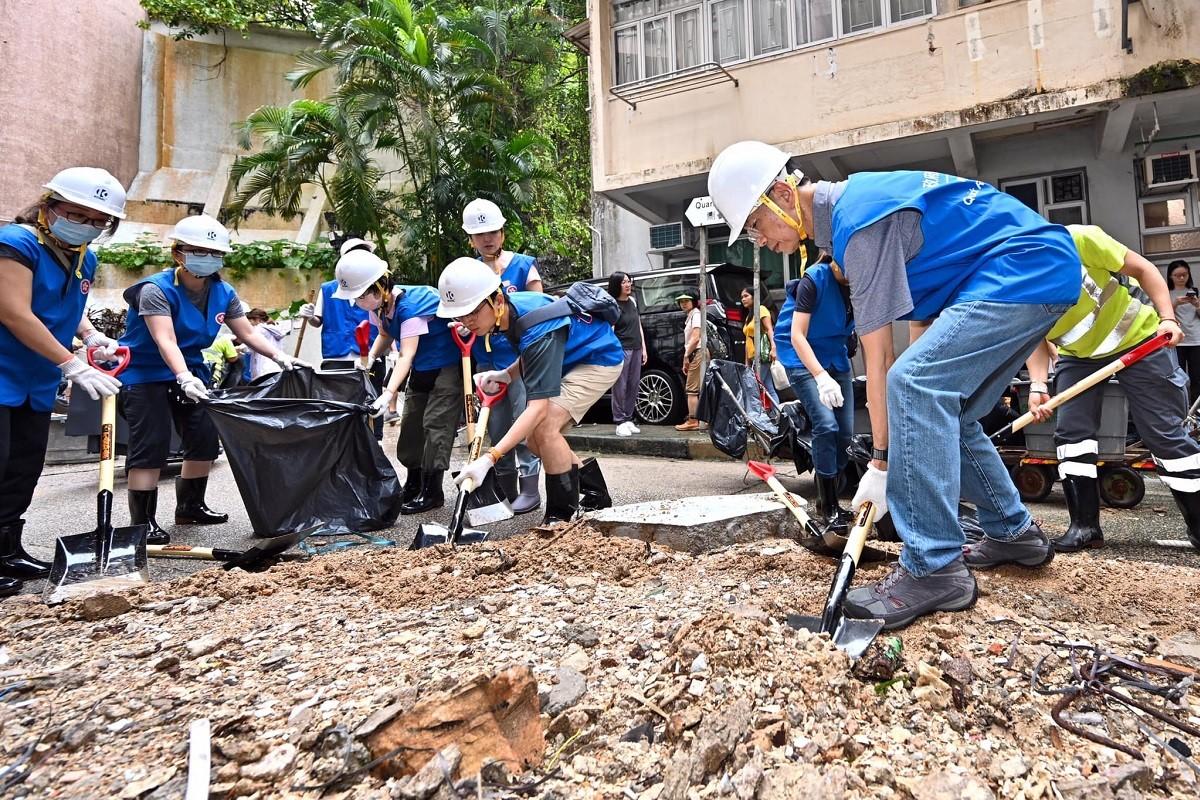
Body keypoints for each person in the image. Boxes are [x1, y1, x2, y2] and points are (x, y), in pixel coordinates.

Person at [708, 140, 1081, 629]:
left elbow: (881, 360)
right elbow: (919, 334)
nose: (760, 240)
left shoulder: (858, 225)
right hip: (1035, 271)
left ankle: (934, 567)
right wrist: (903, 429)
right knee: (951, 410)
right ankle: (1013, 533)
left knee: (916, 385)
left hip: (1021, 269)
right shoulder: (858, 214)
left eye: (756, 227)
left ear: (781, 194)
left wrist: (882, 462)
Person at [118, 214, 309, 544]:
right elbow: (165, 340)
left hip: (192, 370)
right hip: (146, 373)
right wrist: (182, 377)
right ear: (178, 253)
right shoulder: (155, 290)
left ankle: (190, 505)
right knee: (152, 443)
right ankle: (142, 521)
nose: (208, 258)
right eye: (198, 251)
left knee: (204, 438)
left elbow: (247, 332)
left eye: (214, 253)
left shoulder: (224, 292)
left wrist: (281, 357)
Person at [1019, 226, 1198, 552]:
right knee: (1070, 434)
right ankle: (1085, 528)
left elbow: (1144, 269)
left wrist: (1168, 318)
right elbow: (1032, 336)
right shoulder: (1014, 279)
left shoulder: (1080, 239)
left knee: (1165, 434)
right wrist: (1037, 385)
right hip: (1078, 356)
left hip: (1139, 340)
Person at [0, 167, 128, 597]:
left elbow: (67, 306)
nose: (89, 225)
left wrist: (90, 335)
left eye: (99, 221)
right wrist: (72, 365)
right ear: (49, 206)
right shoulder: (15, 244)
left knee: (22, 466)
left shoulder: (83, 254)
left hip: (35, 379)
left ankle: (6, 548)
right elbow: (14, 312)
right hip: (4, 370)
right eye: (79, 214)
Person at [437, 258, 624, 523]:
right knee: (534, 441)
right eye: (460, 315)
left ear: (497, 301)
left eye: (472, 312)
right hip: (572, 359)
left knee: (544, 427)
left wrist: (489, 458)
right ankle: (595, 495)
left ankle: (560, 518)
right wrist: (506, 374)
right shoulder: (510, 313)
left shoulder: (535, 324)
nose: (466, 321)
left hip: (598, 360)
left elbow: (536, 407)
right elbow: (530, 353)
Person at [333, 248, 460, 514]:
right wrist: (369, 359)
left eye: (359, 296)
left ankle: (432, 491)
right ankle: (413, 484)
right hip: (421, 369)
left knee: (435, 426)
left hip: (446, 369)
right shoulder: (380, 308)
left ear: (379, 287)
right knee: (412, 426)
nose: (356, 302)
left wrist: (388, 393)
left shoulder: (412, 307)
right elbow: (385, 335)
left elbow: (406, 354)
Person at [462, 198, 545, 513]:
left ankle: (530, 489)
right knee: (494, 427)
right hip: (485, 361)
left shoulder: (523, 265)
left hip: (522, 361)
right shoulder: (469, 271)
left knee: (523, 420)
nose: (487, 239)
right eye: (480, 234)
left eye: (493, 231)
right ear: (470, 239)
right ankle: (504, 489)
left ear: (503, 233)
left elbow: (540, 312)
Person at [773, 254, 855, 532]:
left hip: (835, 355)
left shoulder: (863, 281)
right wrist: (820, 377)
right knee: (826, 425)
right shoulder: (815, 279)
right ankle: (827, 504)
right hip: (801, 355)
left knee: (845, 433)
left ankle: (832, 489)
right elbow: (797, 335)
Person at [296, 237, 378, 368]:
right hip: (336, 356)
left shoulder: (378, 287)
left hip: (370, 355)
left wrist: (395, 350)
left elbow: (386, 320)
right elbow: (317, 322)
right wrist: (310, 316)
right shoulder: (328, 289)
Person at [607, 271, 647, 436]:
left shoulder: (632, 301)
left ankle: (629, 418)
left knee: (633, 384)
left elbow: (638, 324)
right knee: (620, 386)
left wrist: (643, 347)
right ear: (617, 285)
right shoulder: (613, 305)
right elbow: (610, 330)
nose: (628, 284)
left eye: (629, 281)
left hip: (636, 347)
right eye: (624, 282)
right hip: (622, 348)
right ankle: (619, 421)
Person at [740, 286, 779, 405]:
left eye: (746, 296)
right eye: (742, 297)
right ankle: (778, 415)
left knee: (755, 386)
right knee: (767, 387)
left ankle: (764, 415)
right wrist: (747, 361)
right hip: (753, 357)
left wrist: (774, 348)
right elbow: (748, 340)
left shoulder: (761, 309)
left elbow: (769, 329)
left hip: (762, 355)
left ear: (754, 297)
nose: (743, 299)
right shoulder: (749, 316)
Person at [1168, 260, 1200, 403]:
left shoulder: (1195, 291)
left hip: (1196, 339)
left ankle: (1196, 411)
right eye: (1177, 275)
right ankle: (1182, 407)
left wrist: (1197, 305)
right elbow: (1163, 317)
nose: (1181, 278)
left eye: (1184, 275)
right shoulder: (1166, 293)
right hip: (1177, 341)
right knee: (1178, 378)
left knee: (1197, 377)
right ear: (1170, 276)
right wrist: (1175, 303)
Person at [674, 292, 706, 432]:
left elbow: (695, 337)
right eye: (681, 301)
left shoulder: (696, 315)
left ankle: (693, 420)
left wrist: (686, 355)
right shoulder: (691, 316)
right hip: (696, 353)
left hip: (697, 353)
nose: (684, 303)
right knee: (699, 388)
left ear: (693, 301)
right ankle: (702, 419)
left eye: (687, 300)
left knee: (691, 389)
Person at [244, 308, 286, 381]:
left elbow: (251, 346)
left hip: (263, 368)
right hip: (276, 366)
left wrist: (240, 348)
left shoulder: (259, 329)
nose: (249, 324)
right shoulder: (274, 328)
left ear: (257, 319)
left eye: (250, 321)